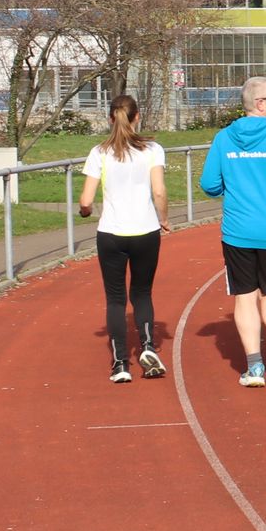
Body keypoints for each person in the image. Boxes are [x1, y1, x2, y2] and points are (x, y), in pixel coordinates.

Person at [200, 76, 266, 387]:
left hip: (238, 230)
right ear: (260, 103)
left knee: (245, 297)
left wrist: (231, 187)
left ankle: (255, 366)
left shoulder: (224, 138)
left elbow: (209, 184)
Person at [78, 94, 169, 383]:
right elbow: (159, 191)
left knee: (115, 299)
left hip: (111, 234)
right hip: (145, 231)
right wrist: (164, 218)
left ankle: (120, 363)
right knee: (142, 293)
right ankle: (148, 347)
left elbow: (86, 200)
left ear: (110, 119)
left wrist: (85, 211)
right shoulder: (153, 150)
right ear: (137, 116)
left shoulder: (99, 152)